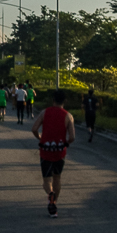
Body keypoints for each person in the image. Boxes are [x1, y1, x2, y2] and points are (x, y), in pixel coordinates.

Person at [31, 89, 75, 217]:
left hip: (45, 150)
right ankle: (54, 203)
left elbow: (34, 128)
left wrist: (40, 137)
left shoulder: (45, 112)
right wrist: (66, 142)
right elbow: (72, 137)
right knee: (57, 177)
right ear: (65, 101)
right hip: (60, 152)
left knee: (46, 179)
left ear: (53, 100)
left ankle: (50, 194)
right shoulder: (68, 116)